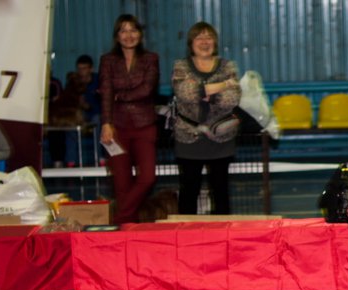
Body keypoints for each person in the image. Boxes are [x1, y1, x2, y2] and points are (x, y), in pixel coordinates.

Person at [172, 21, 241, 215]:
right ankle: (187, 239)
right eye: (199, 37)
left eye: (208, 37)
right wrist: (222, 85)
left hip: (221, 139)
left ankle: (222, 238)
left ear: (215, 42)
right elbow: (185, 93)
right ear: (190, 42)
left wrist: (200, 90)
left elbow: (231, 99)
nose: (204, 41)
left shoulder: (228, 65)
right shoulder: (180, 66)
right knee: (188, 192)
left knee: (221, 193)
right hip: (188, 138)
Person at [99, 14, 159, 223]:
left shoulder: (151, 58)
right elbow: (106, 92)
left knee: (148, 178)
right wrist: (106, 123)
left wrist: (120, 95)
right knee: (121, 184)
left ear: (140, 34)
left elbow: (147, 89)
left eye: (133, 30)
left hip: (145, 125)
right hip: (117, 127)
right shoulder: (107, 60)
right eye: (123, 30)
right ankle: (127, 230)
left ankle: (118, 219)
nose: (128, 35)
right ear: (117, 36)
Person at [64, 55, 100, 167]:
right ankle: (71, 161)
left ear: (91, 69)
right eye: (79, 69)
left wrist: (88, 106)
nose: (81, 72)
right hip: (79, 114)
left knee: (98, 120)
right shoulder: (73, 82)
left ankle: (100, 157)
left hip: (96, 113)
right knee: (70, 123)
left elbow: (104, 103)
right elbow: (67, 100)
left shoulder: (99, 80)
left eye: (84, 68)